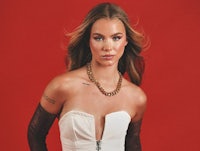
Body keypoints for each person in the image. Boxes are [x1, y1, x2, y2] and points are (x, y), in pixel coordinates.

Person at [28, 2, 147, 151]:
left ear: (126, 41)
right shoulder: (63, 86)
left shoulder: (136, 97)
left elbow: (133, 145)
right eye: (98, 38)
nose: (108, 47)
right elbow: (35, 135)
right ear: (88, 40)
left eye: (116, 38)